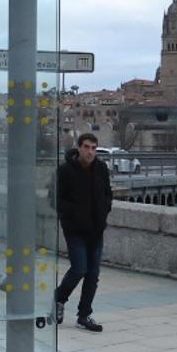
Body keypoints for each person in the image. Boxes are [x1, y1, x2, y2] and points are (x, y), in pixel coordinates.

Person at [54, 133, 112, 332]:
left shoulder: (101, 169)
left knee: (93, 274)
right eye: (86, 147)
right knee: (79, 269)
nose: (90, 152)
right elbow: (54, 199)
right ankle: (59, 299)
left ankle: (84, 315)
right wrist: (73, 215)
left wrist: (104, 210)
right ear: (78, 148)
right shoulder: (65, 171)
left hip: (96, 231)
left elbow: (107, 194)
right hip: (75, 231)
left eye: (94, 148)